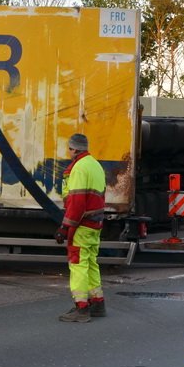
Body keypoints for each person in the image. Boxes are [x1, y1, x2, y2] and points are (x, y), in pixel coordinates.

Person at [55, 133, 107, 323]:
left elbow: (76, 203)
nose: (69, 152)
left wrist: (64, 227)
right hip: (96, 223)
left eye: (69, 148)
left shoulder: (79, 168)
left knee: (78, 264)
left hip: (82, 224)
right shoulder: (96, 165)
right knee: (91, 262)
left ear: (74, 149)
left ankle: (81, 308)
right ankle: (98, 302)